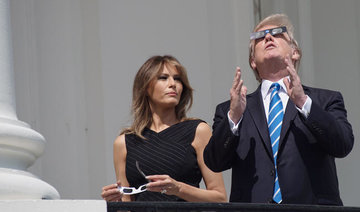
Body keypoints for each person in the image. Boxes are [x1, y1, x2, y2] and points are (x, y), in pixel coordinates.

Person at [203, 14, 354, 205]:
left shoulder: (325, 100)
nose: (267, 37)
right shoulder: (231, 108)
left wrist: (303, 102)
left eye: (277, 33)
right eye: (259, 37)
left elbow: (342, 145)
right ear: (253, 62)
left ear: (295, 52)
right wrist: (233, 117)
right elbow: (214, 162)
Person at [101, 55, 227, 202]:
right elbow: (127, 204)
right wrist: (114, 203)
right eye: (163, 78)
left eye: (178, 79)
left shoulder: (198, 131)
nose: (173, 84)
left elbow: (220, 198)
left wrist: (178, 189)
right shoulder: (124, 143)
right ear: (146, 87)